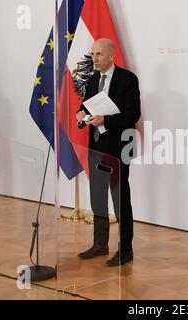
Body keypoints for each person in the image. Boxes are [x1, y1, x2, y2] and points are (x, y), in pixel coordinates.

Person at [75, 38, 140, 266]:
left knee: (120, 200)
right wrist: (80, 116)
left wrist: (107, 120)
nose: (95, 59)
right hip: (96, 148)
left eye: (99, 54)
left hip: (117, 149)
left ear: (111, 56)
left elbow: (133, 114)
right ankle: (100, 245)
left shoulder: (128, 79)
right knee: (98, 199)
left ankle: (126, 250)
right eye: (93, 54)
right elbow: (85, 106)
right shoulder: (93, 80)